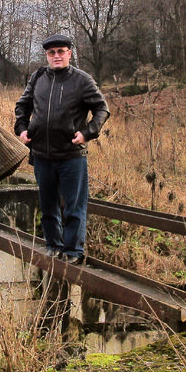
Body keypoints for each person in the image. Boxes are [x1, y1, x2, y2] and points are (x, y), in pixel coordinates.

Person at [14, 33, 109, 264]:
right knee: (48, 205)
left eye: (61, 51)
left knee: (74, 207)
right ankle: (53, 245)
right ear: (47, 55)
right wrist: (21, 128)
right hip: (42, 154)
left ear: (69, 53)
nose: (56, 56)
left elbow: (101, 109)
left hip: (71, 155)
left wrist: (87, 133)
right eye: (51, 52)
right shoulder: (38, 78)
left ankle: (73, 251)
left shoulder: (82, 80)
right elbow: (23, 105)